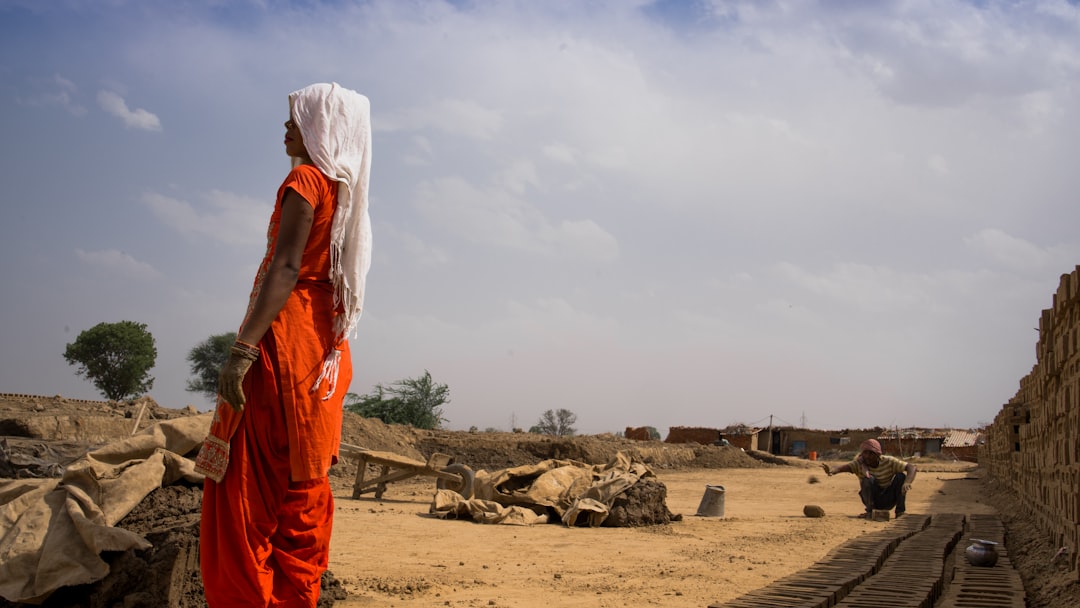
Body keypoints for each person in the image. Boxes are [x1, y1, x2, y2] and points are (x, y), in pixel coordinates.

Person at [194, 82, 372, 608]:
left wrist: (242, 350)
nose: (287, 127)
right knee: (303, 488)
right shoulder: (346, 193)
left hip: (282, 345)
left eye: (296, 118)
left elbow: (286, 267)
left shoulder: (305, 179)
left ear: (322, 127)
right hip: (324, 351)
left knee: (246, 491)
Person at [822, 438, 916, 519]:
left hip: (889, 498)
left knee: (901, 476)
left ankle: (900, 512)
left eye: (871, 453)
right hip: (872, 500)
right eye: (865, 453)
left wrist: (907, 482)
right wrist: (831, 471)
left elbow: (911, 467)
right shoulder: (859, 463)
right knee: (867, 479)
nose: (867, 456)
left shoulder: (889, 461)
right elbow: (841, 468)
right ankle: (870, 512)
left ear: (878, 454)